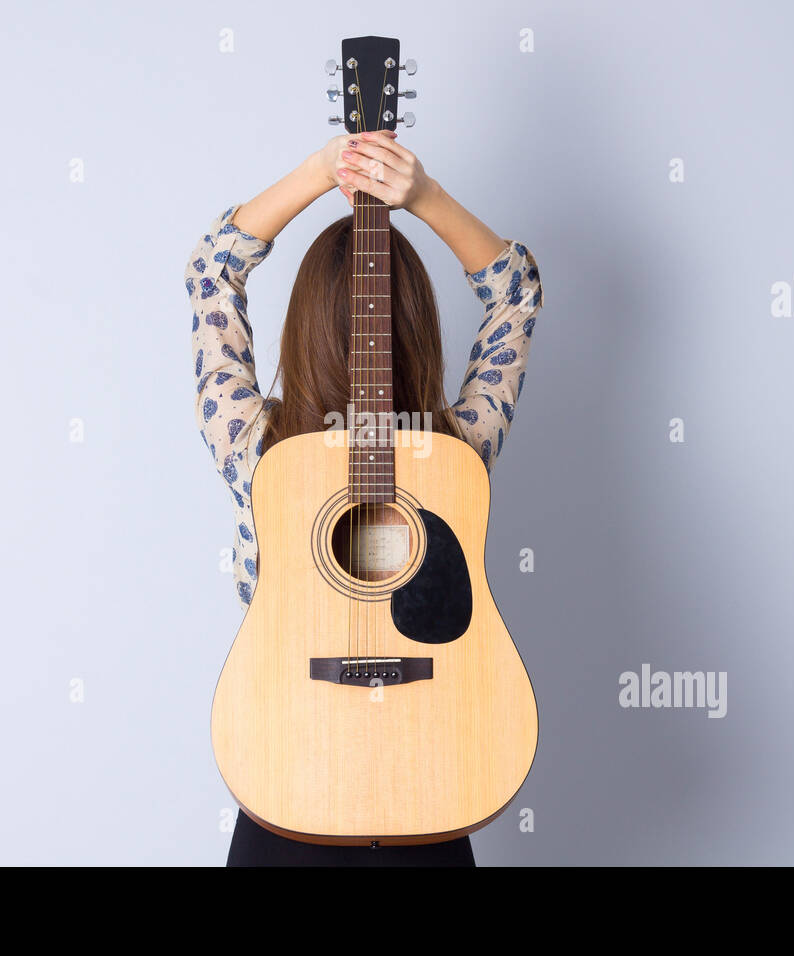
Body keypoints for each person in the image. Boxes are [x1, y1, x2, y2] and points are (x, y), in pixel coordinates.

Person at [185, 130, 544, 866]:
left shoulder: (256, 449)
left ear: (303, 325)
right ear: (419, 324)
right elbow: (517, 293)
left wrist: (319, 174)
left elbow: (210, 275)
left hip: (286, 782)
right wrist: (425, 198)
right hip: (434, 789)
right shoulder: (457, 451)